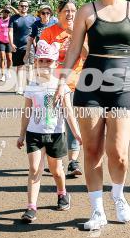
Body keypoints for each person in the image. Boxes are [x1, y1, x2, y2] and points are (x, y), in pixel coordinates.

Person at [56, 0, 130, 230]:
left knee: (118, 152)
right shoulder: (87, 12)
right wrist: (61, 82)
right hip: (90, 87)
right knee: (92, 149)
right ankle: (96, 210)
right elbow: (74, 50)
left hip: (123, 86)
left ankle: (118, 195)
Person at [17, 40, 82, 223]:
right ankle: (31, 207)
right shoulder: (31, 86)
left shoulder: (61, 86)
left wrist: (76, 134)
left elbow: (69, 112)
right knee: (34, 168)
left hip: (56, 133)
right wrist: (22, 134)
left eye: (49, 61)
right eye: (41, 61)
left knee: (56, 170)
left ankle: (62, 193)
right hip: (34, 134)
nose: (45, 65)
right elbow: (26, 112)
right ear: (36, 62)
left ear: (55, 64)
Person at [40, 0, 84, 178]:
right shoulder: (49, 32)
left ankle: (73, 161)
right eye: (66, 10)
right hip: (52, 83)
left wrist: (76, 35)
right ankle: (52, 158)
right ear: (58, 13)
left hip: (76, 82)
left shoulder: (81, 31)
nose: (70, 14)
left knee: (70, 119)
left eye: (73, 10)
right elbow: (42, 59)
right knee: (50, 121)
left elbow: (87, 54)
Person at [9, 0, 36, 94]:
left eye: (26, 6)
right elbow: (10, 31)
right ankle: (20, 87)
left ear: (28, 7)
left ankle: (30, 88)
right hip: (17, 46)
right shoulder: (13, 18)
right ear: (19, 7)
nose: (24, 7)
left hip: (30, 46)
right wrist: (11, 43)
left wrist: (36, 45)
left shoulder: (32, 19)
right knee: (20, 67)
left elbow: (34, 34)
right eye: (22, 6)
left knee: (30, 67)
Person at [0, 6, 12, 82]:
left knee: (9, 58)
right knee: (2, 58)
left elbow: (19, 14)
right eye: (5, 12)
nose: (6, 13)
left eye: (8, 12)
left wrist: (11, 7)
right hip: (0, 41)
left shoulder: (11, 20)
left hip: (9, 41)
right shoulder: (0, 19)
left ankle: (8, 71)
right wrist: (0, 10)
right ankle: (2, 75)